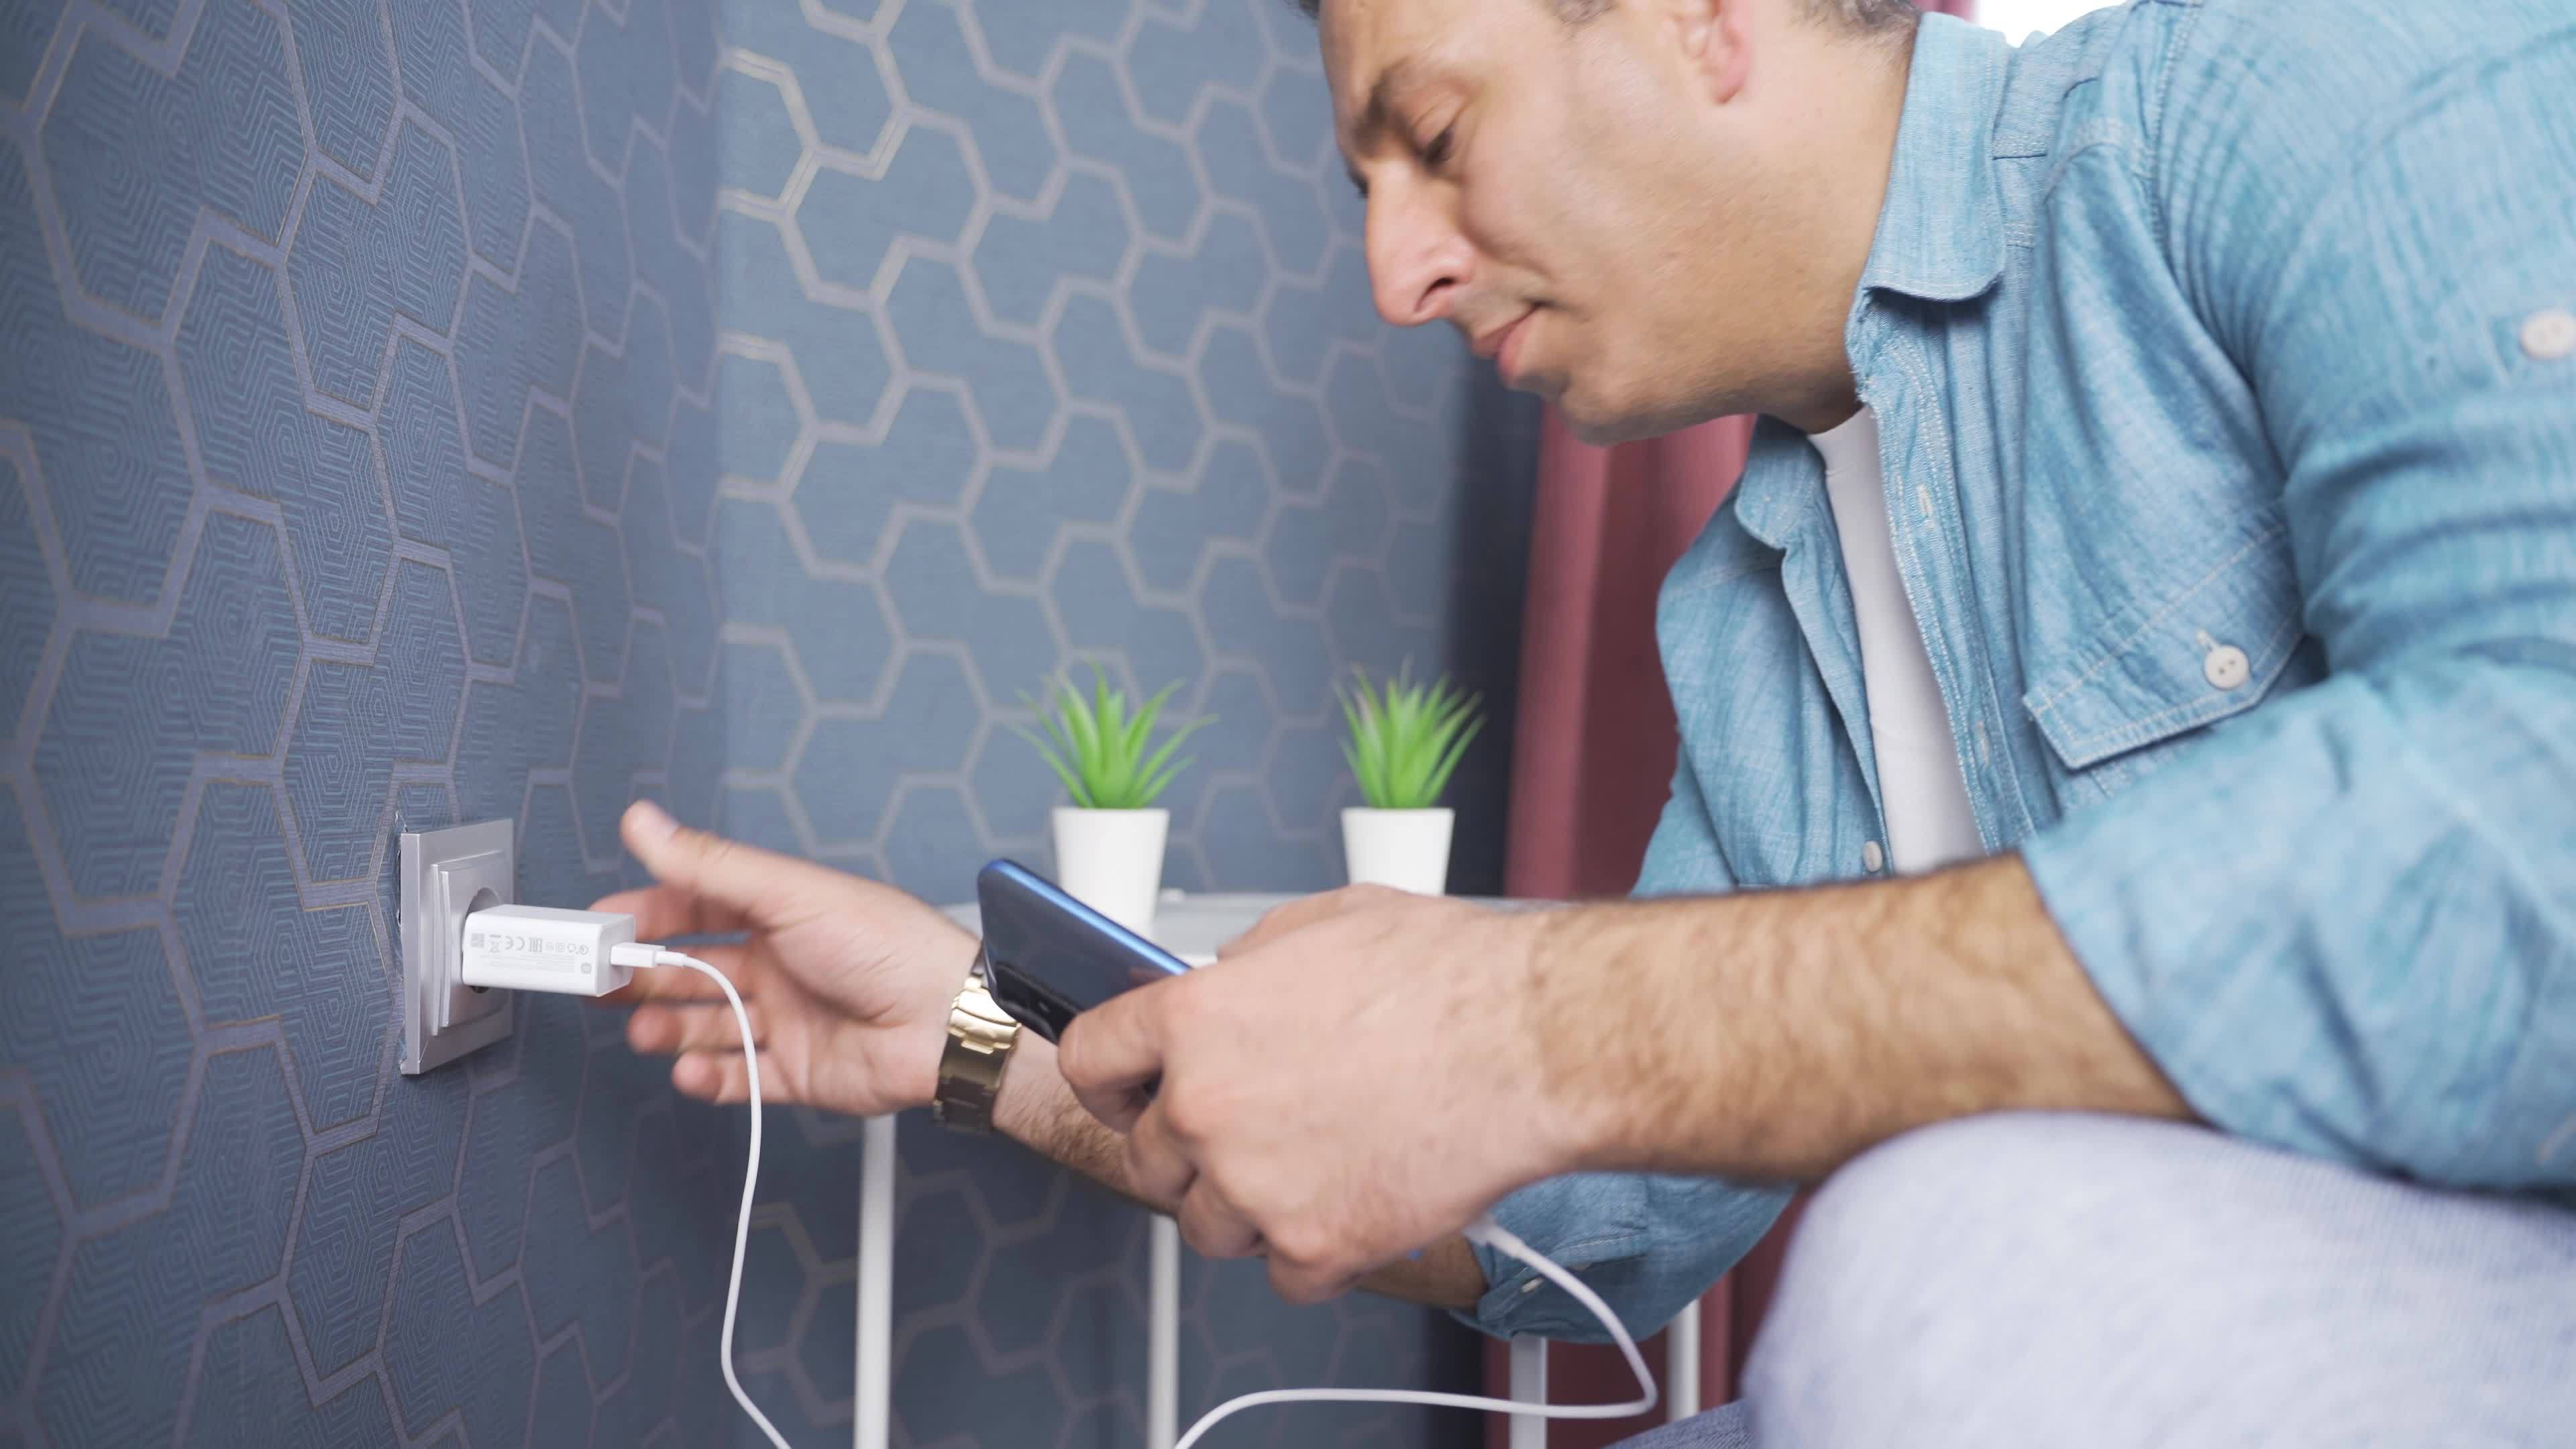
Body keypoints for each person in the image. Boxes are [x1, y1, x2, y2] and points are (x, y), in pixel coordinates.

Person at [600, 0, 2576, 1440]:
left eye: (1437, 136)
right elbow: (1594, 1219)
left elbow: (2536, 832)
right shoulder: (1748, 604)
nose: (1395, 273)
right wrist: (972, 1028)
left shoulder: (2303, 83)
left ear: (1706, 20)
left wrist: (1532, 1021)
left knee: (1954, 1256)